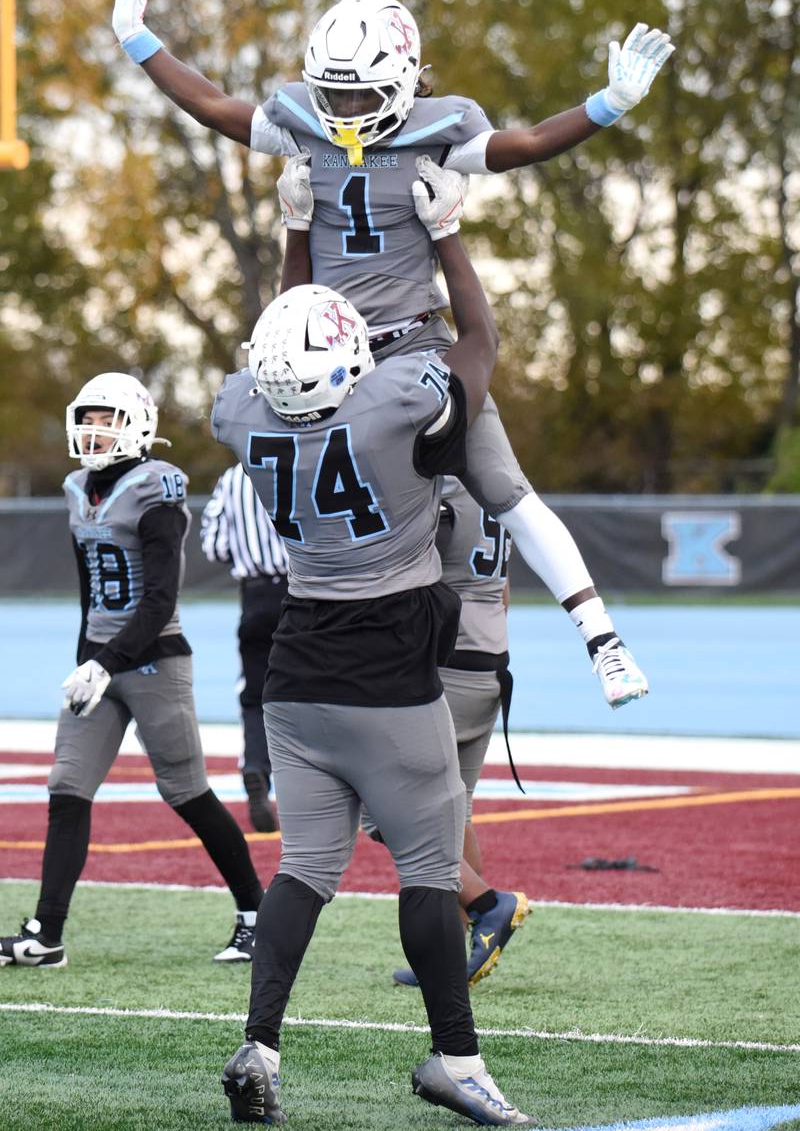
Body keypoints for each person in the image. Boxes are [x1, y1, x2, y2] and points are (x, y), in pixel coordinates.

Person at [112, 0, 672, 708]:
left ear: (406, 76)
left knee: (503, 485)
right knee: (285, 470)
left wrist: (606, 104)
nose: (344, 109)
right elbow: (214, 106)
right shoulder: (301, 121)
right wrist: (138, 40)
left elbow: (530, 143)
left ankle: (601, 638)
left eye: (363, 91)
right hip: (317, 355)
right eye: (333, 92)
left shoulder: (440, 131)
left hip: (412, 343)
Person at [211, 198, 536, 1119]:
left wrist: (290, 233)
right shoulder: (396, 406)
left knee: (306, 872)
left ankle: (261, 1044)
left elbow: (271, 355)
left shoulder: (245, 418)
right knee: (430, 876)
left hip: (298, 670)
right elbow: (478, 341)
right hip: (390, 669)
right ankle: (456, 1062)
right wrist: (445, 233)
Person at [0, 374, 264, 969]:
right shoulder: (75, 489)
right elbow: (89, 593)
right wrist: (85, 660)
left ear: (138, 425)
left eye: (108, 419)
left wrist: (104, 661)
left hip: (153, 661)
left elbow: (158, 601)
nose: (95, 430)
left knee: (187, 792)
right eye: (88, 418)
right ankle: (47, 934)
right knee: (67, 789)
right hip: (99, 664)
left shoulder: (156, 490)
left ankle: (255, 911)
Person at [384, 475, 528, 989]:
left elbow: (405, 575)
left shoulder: (436, 487)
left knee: (381, 810)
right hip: (490, 661)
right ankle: (461, 951)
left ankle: (490, 906)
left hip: (445, 662)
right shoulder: (494, 484)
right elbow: (504, 589)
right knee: (456, 807)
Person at [201, 462, 289, 832]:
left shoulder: (233, 477)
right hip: (305, 590)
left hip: (254, 597)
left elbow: (214, 545)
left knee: (255, 695)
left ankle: (256, 766)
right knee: (321, 688)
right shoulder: (304, 460)